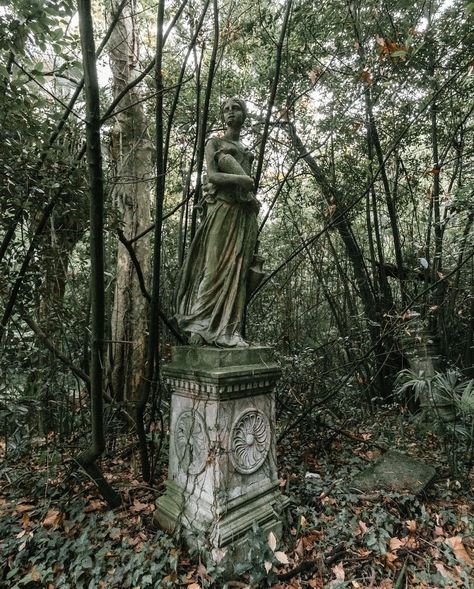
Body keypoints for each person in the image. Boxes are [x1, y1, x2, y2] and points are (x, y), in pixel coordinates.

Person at [174, 97, 259, 347]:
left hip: (243, 215)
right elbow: (212, 176)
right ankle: (200, 327)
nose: (230, 113)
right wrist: (242, 180)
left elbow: (247, 189)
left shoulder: (244, 150)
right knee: (213, 269)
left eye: (236, 109)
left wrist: (249, 194)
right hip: (221, 210)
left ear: (245, 114)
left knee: (237, 272)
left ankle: (229, 331)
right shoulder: (215, 143)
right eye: (226, 110)